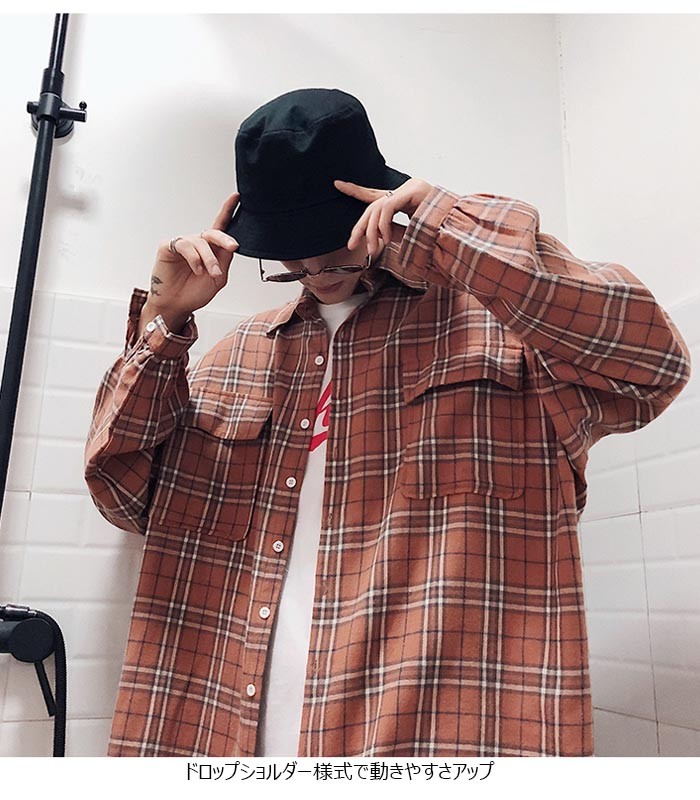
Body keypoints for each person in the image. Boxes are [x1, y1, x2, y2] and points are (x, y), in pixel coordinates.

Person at [84, 88, 691, 758]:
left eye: (329, 244)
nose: (314, 270)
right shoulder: (234, 359)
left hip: (436, 742)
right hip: (225, 734)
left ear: (375, 200)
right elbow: (125, 498)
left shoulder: (497, 336)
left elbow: (653, 366)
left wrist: (452, 226)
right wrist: (163, 322)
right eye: (290, 255)